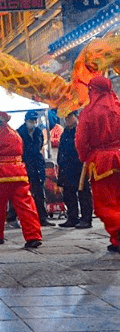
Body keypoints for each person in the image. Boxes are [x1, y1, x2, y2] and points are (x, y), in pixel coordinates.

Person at [0, 111, 43, 249]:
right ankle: (33, 236)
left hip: (1, 174)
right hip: (19, 173)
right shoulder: (16, 134)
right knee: (26, 205)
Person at [75, 76, 120, 253]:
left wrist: (85, 157)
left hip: (102, 162)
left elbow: (81, 141)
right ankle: (116, 241)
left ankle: (118, 230)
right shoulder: (118, 107)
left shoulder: (89, 112)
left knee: (104, 206)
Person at [18, 111, 53, 226]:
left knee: (39, 193)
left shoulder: (38, 132)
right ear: (26, 120)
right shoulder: (19, 132)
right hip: (26, 165)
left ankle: (42, 218)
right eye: (31, 120)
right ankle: (20, 218)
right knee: (23, 194)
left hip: (37, 165)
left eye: (35, 120)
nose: (33, 123)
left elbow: (40, 145)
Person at [57, 111, 91, 229]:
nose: (66, 119)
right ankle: (72, 218)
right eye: (65, 117)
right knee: (68, 193)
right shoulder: (65, 132)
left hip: (80, 166)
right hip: (66, 167)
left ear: (76, 117)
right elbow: (61, 149)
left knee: (83, 193)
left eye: (69, 117)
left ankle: (86, 219)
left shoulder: (81, 130)